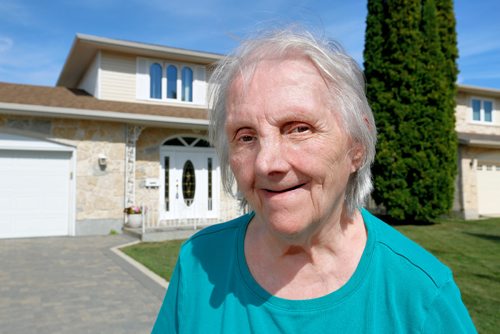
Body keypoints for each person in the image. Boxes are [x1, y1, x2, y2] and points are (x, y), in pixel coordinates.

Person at [152, 27, 476, 333]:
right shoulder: (199, 262)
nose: (267, 163)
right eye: (246, 137)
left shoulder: (421, 294)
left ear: (356, 147)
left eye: (298, 128)